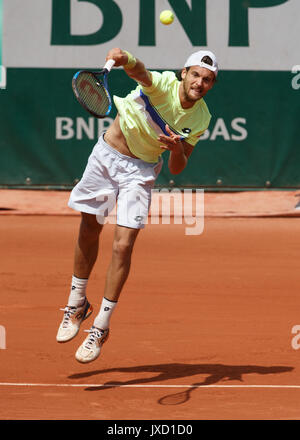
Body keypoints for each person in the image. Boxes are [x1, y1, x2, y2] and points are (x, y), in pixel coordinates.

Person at [56, 47, 218, 363]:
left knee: (123, 246)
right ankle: (77, 301)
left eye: (208, 80)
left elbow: (178, 168)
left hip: (141, 172)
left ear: (212, 85)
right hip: (106, 158)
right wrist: (126, 58)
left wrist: (175, 149)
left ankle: (101, 325)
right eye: (196, 74)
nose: (200, 83)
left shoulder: (202, 118)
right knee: (90, 227)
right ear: (183, 74)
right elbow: (140, 72)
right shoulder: (160, 84)